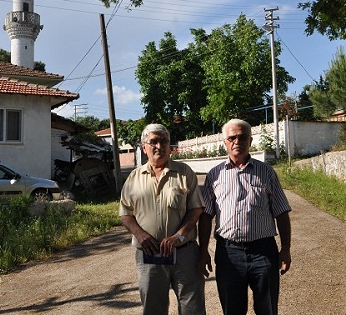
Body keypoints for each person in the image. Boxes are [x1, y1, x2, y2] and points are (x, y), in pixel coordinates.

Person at [198, 118, 292, 315]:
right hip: (228, 252)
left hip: (263, 252)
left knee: (267, 309)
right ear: (225, 142)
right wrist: (203, 250)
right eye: (232, 137)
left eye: (242, 137)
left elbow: (281, 212)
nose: (237, 142)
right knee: (232, 310)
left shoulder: (266, 172)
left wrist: (286, 249)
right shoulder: (214, 175)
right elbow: (206, 215)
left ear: (250, 141)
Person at [119, 123, 206, 315]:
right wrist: (140, 235)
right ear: (144, 147)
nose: (159, 145)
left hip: (184, 253)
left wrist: (180, 236)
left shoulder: (185, 172)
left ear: (169, 145)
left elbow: (196, 209)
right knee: (153, 308)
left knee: (193, 307)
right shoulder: (134, 177)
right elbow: (125, 213)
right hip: (149, 255)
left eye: (163, 141)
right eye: (153, 141)